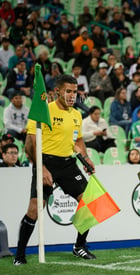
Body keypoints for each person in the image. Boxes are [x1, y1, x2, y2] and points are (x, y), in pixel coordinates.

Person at [14, 75, 97, 265]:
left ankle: (79, 246)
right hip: (45, 162)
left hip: (67, 164)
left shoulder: (76, 114)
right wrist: (41, 167)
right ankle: (19, 255)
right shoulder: (44, 110)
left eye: (75, 92)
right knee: (35, 209)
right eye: (68, 91)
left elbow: (78, 141)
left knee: (89, 203)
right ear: (57, 91)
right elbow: (31, 142)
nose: (72, 95)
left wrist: (86, 159)